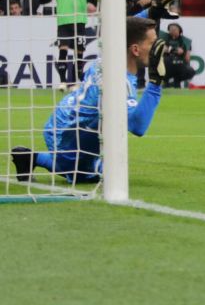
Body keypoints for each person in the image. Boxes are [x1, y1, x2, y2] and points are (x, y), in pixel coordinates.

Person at [10, 17, 168, 185]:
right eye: (153, 44)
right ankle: (37, 158)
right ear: (135, 50)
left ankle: (28, 157)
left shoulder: (106, 59)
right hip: (68, 136)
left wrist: (152, 11)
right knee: (92, 174)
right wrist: (155, 83)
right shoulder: (120, 84)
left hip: (62, 118)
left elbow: (124, 28)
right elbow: (138, 126)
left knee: (103, 165)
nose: (158, 50)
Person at [53, 0, 91, 86]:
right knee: (63, 51)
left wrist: (93, 4)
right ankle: (63, 81)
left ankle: (75, 82)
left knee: (79, 54)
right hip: (64, 23)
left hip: (79, 23)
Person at [160, 22, 197, 88]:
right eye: (171, 29)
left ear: (179, 31)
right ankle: (166, 82)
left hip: (179, 63)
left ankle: (176, 81)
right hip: (166, 63)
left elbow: (187, 58)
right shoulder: (164, 38)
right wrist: (171, 50)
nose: (173, 31)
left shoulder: (185, 41)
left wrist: (183, 52)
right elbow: (162, 49)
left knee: (190, 71)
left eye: (175, 29)